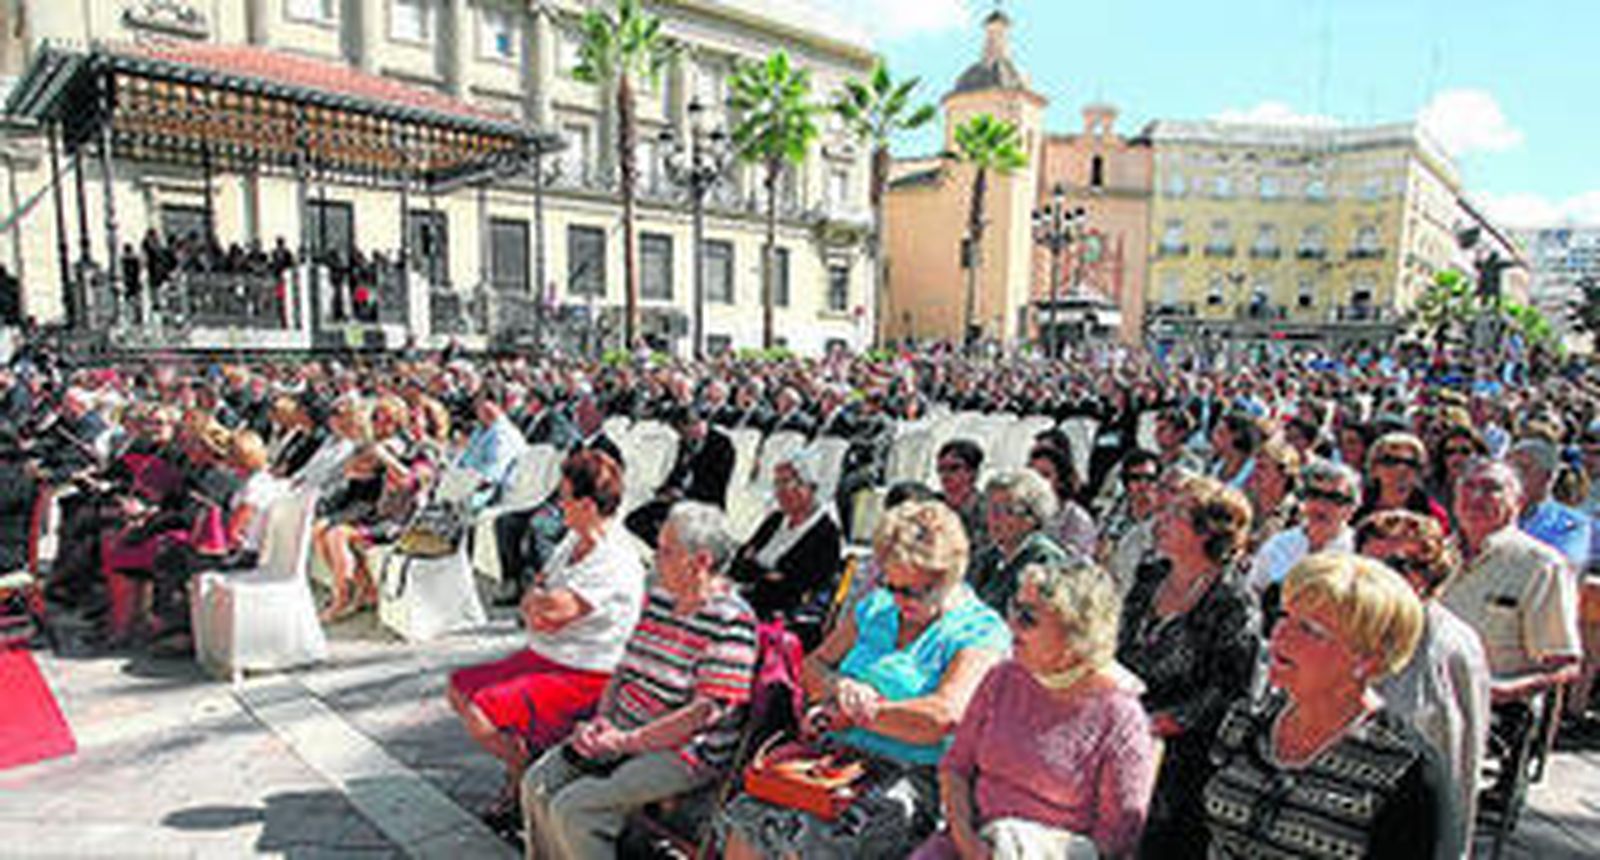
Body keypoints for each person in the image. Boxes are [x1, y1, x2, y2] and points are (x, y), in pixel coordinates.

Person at [720, 500, 1011, 859]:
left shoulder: (978, 630)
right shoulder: (878, 607)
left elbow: (944, 716)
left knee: (812, 841)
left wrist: (860, 713)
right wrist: (838, 687)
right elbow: (813, 665)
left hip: (915, 774)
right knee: (747, 821)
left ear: (950, 577)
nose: (900, 599)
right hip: (837, 763)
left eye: (915, 590)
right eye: (893, 585)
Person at [521, 502, 757, 859]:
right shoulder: (661, 597)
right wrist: (602, 721)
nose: (655, 559)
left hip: (684, 751)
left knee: (575, 810)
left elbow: (703, 714)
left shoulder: (732, 621)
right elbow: (624, 669)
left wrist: (627, 741)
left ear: (700, 562)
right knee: (537, 783)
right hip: (625, 727)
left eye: (666, 552)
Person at [1203, 553, 1461, 860]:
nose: (1281, 634)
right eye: (1284, 616)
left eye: (1310, 629)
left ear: (1368, 659)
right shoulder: (1245, 721)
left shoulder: (1402, 765)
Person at [449, 451, 642, 837]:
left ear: (588, 506)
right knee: (461, 686)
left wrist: (539, 603)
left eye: (565, 497)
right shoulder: (575, 539)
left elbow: (549, 610)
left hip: (586, 673)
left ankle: (521, 775)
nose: (558, 504)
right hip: (549, 655)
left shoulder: (613, 557)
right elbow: (537, 600)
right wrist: (539, 603)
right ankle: (523, 770)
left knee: (477, 703)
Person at [913, 559, 1157, 859]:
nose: (1011, 624)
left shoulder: (1118, 716)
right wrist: (966, 840)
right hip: (971, 839)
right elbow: (956, 767)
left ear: (1076, 633)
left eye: (1028, 617)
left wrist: (1026, 849)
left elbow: (1117, 838)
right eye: (1014, 607)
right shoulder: (1003, 678)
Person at [1117, 475, 1260, 859]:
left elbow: (1230, 692)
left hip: (1184, 762)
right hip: (1124, 734)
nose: (1161, 518)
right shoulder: (1150, 577)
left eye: (1176, 513)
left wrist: (1157, 724)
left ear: (1208, 530)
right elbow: (1119, 651)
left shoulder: (1232, 600)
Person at [1356, 510, 1491, 849]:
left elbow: (1453, 771)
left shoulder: (1447, 646)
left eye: (1397, 566)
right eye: (1367, 565)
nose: (1378, 578)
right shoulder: (1349, 624)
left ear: (1429, 575)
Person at [728, 452, 843, 628]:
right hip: (744, 599)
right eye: (777, 483)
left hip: (778, 617)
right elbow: (739, 561)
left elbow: (795, 586)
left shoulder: (826, 534)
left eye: (786, 483)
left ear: (808, 487)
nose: (779, 491)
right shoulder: (775, 520)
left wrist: (754, 568)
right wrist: (766, 574)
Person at [1246, 458, 1361, 628]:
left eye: (1334, 498)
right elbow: (1252, 591)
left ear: (1351, 509)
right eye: (1314, 494)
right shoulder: (1279, 545)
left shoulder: (1358, 550)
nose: (1321, 505)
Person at [624, 406, 734, 546]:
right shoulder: (686, 442)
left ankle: (669, 549)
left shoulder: (721, 445)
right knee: (634, 520)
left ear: (693, 425)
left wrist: (683, 495)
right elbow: (677, 472)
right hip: (681, 499)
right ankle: (662, 549)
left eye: (683, 432)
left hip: (704, 504)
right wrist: (665, 490)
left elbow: (716, 486)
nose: (682, 437)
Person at [968, 469, 1074, 613]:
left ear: (1031, 517)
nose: (994, 517)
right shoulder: (988, 557)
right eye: (990, 507)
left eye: (1006, 510)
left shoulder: (1045, 559)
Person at [1356, 432, 1450, 532]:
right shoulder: (1354, 511)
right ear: (1373, 469)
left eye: (1410, 463)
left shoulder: (1434, 515)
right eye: (1390, 461)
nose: (1401, 469)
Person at [935, 438, 985, 547]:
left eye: (954, 468)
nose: (946, 476)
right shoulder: (932, 508)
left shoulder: (989, 511)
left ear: (972, 472)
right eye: (941, 470)